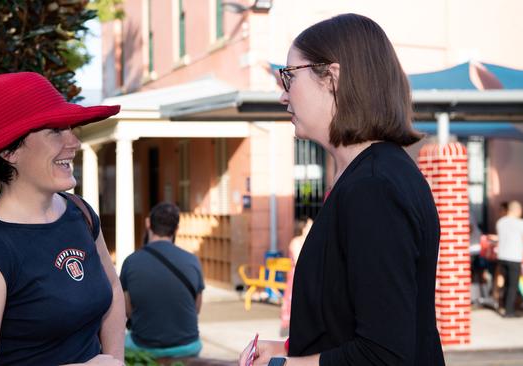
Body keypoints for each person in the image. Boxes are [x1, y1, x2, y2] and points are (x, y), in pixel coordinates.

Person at [240, 13, 444, 365]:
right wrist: (288, 347)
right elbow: (355, 321)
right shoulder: (372, 176)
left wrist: (284, 365)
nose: (282, 96)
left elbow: (383, 354)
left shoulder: (375, 188)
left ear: (331, 77)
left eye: (289, 77)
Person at [0, 72, 126, 365]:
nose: (74, 142)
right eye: (55, 130)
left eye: (70, 128)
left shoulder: (80, 213)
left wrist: (115, 359)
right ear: (9, 151)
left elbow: (113, 289)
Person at [120, 202, 204, 358]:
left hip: (144, 347)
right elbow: (196, 308)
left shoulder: (131, 262)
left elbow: (127, 310)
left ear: (147, 223)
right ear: (176, 229)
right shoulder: (193, 261)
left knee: (121, 344)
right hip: (187, 346)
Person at [280, 218, 313, 334]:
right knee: (293, 299)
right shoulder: (296, 241)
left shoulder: (310, 241)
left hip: (308, 274)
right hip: (296, 275)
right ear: (303, 228)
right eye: (309, 225)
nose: (312, 226)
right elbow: (299, 259)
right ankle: (289, 326)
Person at [496, 200, 523, 317]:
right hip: (514, 257)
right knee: (513, 285)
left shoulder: (500, 222)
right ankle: (509, 311)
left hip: (502, 256)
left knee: (506, 283)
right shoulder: (521, 223)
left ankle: (503, 306)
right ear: (517, 210)